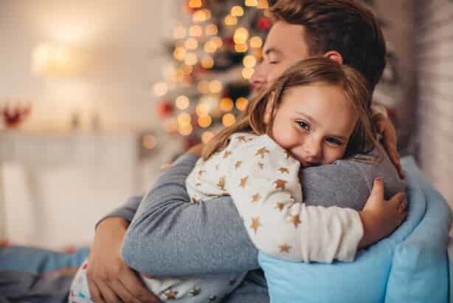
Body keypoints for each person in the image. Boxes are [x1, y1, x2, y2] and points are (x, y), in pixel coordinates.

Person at [85, 1, 407, 302]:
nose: (256, 75)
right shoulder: (302, 144)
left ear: (325, 66)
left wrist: (198, 152)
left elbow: (147, 242)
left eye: (274, 58)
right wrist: (113, 221)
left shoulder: (339, 178)